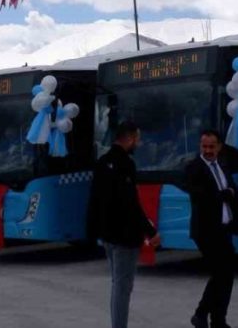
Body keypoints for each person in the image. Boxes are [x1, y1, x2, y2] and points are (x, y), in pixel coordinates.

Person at [88, 120, 159, 328]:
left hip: (108, 235)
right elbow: (130, 202)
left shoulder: (102, 162)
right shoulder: (125, 163)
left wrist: (96, 230)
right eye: (137, 138)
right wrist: (150, 231)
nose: (139, 142)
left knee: (116, 284)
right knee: (122, 287)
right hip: (125, 235)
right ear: (128, 138)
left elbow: (95, 200)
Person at [186, 129, 238, 328]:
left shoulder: (222, 165)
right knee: (220, 273)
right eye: (204, 146)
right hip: (206, 231)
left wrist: (236, 196)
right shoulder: (194, 168)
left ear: (219, 146)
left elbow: (229, 189)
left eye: (212, 146)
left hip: (224, 229)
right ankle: (201, 314)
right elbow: (202, 197)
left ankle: (218, 319)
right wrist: (226, 194)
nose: (208, 150)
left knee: (226, 275)